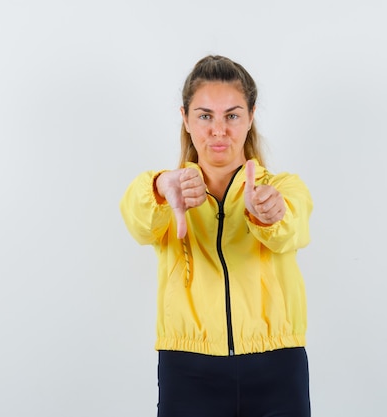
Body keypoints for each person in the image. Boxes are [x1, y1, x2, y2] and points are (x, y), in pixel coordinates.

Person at [119, 55, 314, 417]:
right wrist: (162, 186)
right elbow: (137, 217)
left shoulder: (285, 188)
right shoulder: (168, 191)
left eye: (233, 115)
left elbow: (293, 228)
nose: (219, 130)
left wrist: (271, 214)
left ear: (251, 117)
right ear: (186, 119)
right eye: (205, 116)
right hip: (189, 370)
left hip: (277, 366)